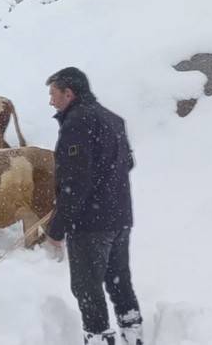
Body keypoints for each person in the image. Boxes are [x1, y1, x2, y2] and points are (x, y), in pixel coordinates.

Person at [44, 67, 143, 345]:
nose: (51, 101)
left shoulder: (76, 123)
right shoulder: (114, 119)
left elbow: (75, 182)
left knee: (87, 287)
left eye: (53, 94)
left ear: (69, 93)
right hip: (120, 218)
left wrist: (57, 229)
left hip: (90, 224)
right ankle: (133, 334)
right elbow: (127, 163)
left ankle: (99, 337)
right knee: (118, 280)